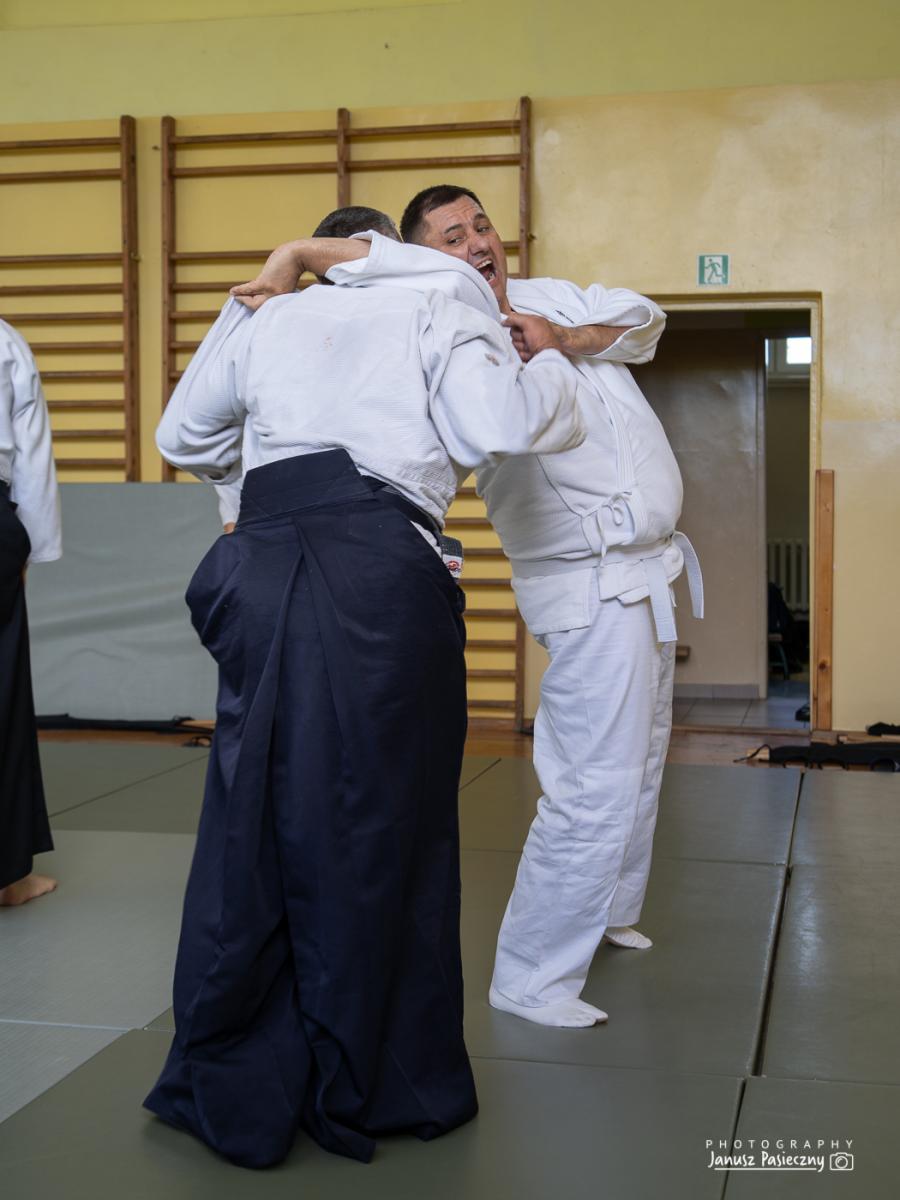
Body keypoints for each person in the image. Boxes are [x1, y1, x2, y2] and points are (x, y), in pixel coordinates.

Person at [145, 206, 584, 1168]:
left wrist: (276, 454)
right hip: (373, 570)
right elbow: (499, 424)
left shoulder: (271, 311)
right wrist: (550, 362)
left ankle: (233, 1065)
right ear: (401, 252)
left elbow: (182, 434)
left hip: (255, 564)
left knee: (252, 814)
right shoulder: (442, 301)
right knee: (381, 823)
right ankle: (370, 1081)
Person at [231, 186, 703, 1030]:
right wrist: (296, 255)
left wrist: (562, 337)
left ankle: (607, 911)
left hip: (649, 570)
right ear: (423, 259)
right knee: (593, 780)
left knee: (640, 761)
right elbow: (376, 275)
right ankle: (532, 976)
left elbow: (644, 321)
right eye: (453, 236)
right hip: (588, 576)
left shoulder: (553, 297)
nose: (480, 241)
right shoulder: (443, 326)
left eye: (481, 224)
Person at [0, 319, 61, 907]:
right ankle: (7, 875)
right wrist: (32, 546)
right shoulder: (2, 340)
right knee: (1, 692)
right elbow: (30, 446)